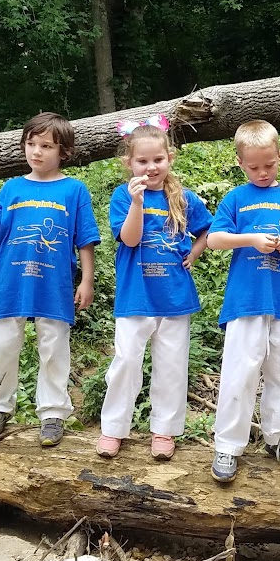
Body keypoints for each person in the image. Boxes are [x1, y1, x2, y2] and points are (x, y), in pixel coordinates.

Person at [0, 112, 100, 448]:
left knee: (54, 346)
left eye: (46, 146)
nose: (36, 152)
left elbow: (85, 239)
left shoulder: (74, 190)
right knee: (1, 344)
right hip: (10, 279)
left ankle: (53, 412)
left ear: (63, 151)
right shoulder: (13, 187)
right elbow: (0, 231)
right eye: (31, 144)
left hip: (54, 282)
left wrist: (86, 280)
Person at [204, 120, 280, 484]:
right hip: (246, 301)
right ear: (240, 163)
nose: (262, 172)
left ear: (279, 157)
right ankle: (228, 445)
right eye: (254, 166)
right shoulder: (236, 198)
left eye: (269, 164)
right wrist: (251, 239)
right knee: (239, 372)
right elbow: (214, 239)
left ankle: (279, 435)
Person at [98, 116, 211, 461]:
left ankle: (165, 429)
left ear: (170, 158)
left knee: (172, 366)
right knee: (126, 362)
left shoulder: (184, 198)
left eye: (158, 159)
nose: (151, 167)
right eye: (142, 161)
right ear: (129, 163)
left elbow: (208, 229)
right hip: (135, 296)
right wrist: (137, 203)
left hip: (174, 296)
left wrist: (194, 252)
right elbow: (130, 239)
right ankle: (113, 428)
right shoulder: (123, 196)